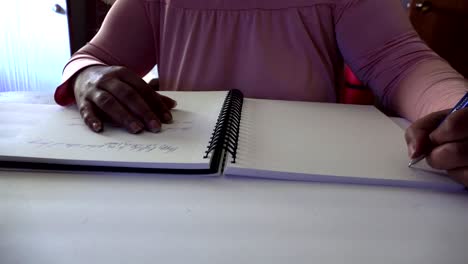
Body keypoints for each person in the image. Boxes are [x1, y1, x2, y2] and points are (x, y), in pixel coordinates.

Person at [55, 0, 468, 187]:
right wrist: (86, 74)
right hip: (180, 181)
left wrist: (454, 111)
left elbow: (401, 62)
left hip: (312, 180)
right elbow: (96, 57)